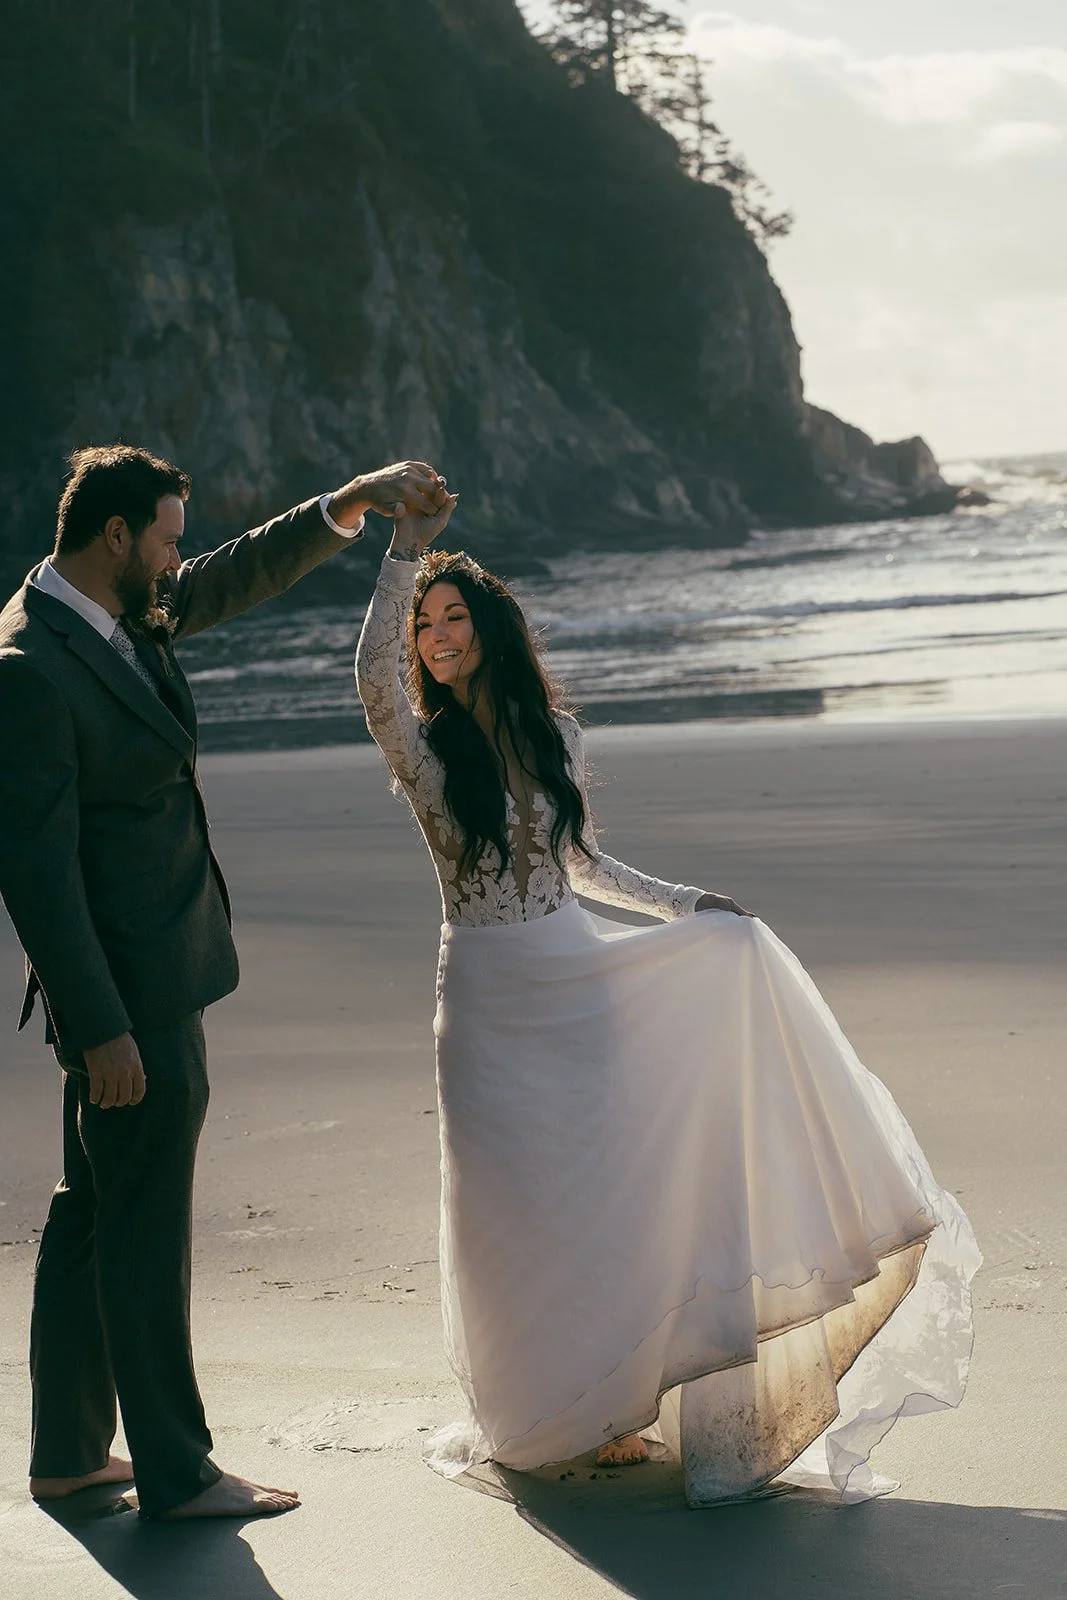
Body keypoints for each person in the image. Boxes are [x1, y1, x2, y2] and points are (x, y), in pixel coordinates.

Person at [354, 496, 982, 1504]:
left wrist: (687, 904)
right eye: (422, 624)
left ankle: (618, 1405)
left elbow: (581, 862)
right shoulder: (420, 750)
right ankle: (540, 1411)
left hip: (581, 980)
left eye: (450, 617)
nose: (433, 639)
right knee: (508, 1214)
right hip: (486, 1001)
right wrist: (402, 554)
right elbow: (370, 681)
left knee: (607, 1203)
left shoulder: (547, 730)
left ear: (488, 628)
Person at [0, 444, 449, 1521]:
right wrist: (102, 1029)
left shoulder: (109, 609)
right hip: (128, 989)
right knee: (144, 1222)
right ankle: (177, 1468)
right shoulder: (28, 664)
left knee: (94, 1210)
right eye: (164, 538)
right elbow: (35, 868)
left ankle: (67, 1452)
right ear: (115, 537)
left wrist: (344, 505)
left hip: (154, 964)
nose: (177, 558)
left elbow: (229, 574)